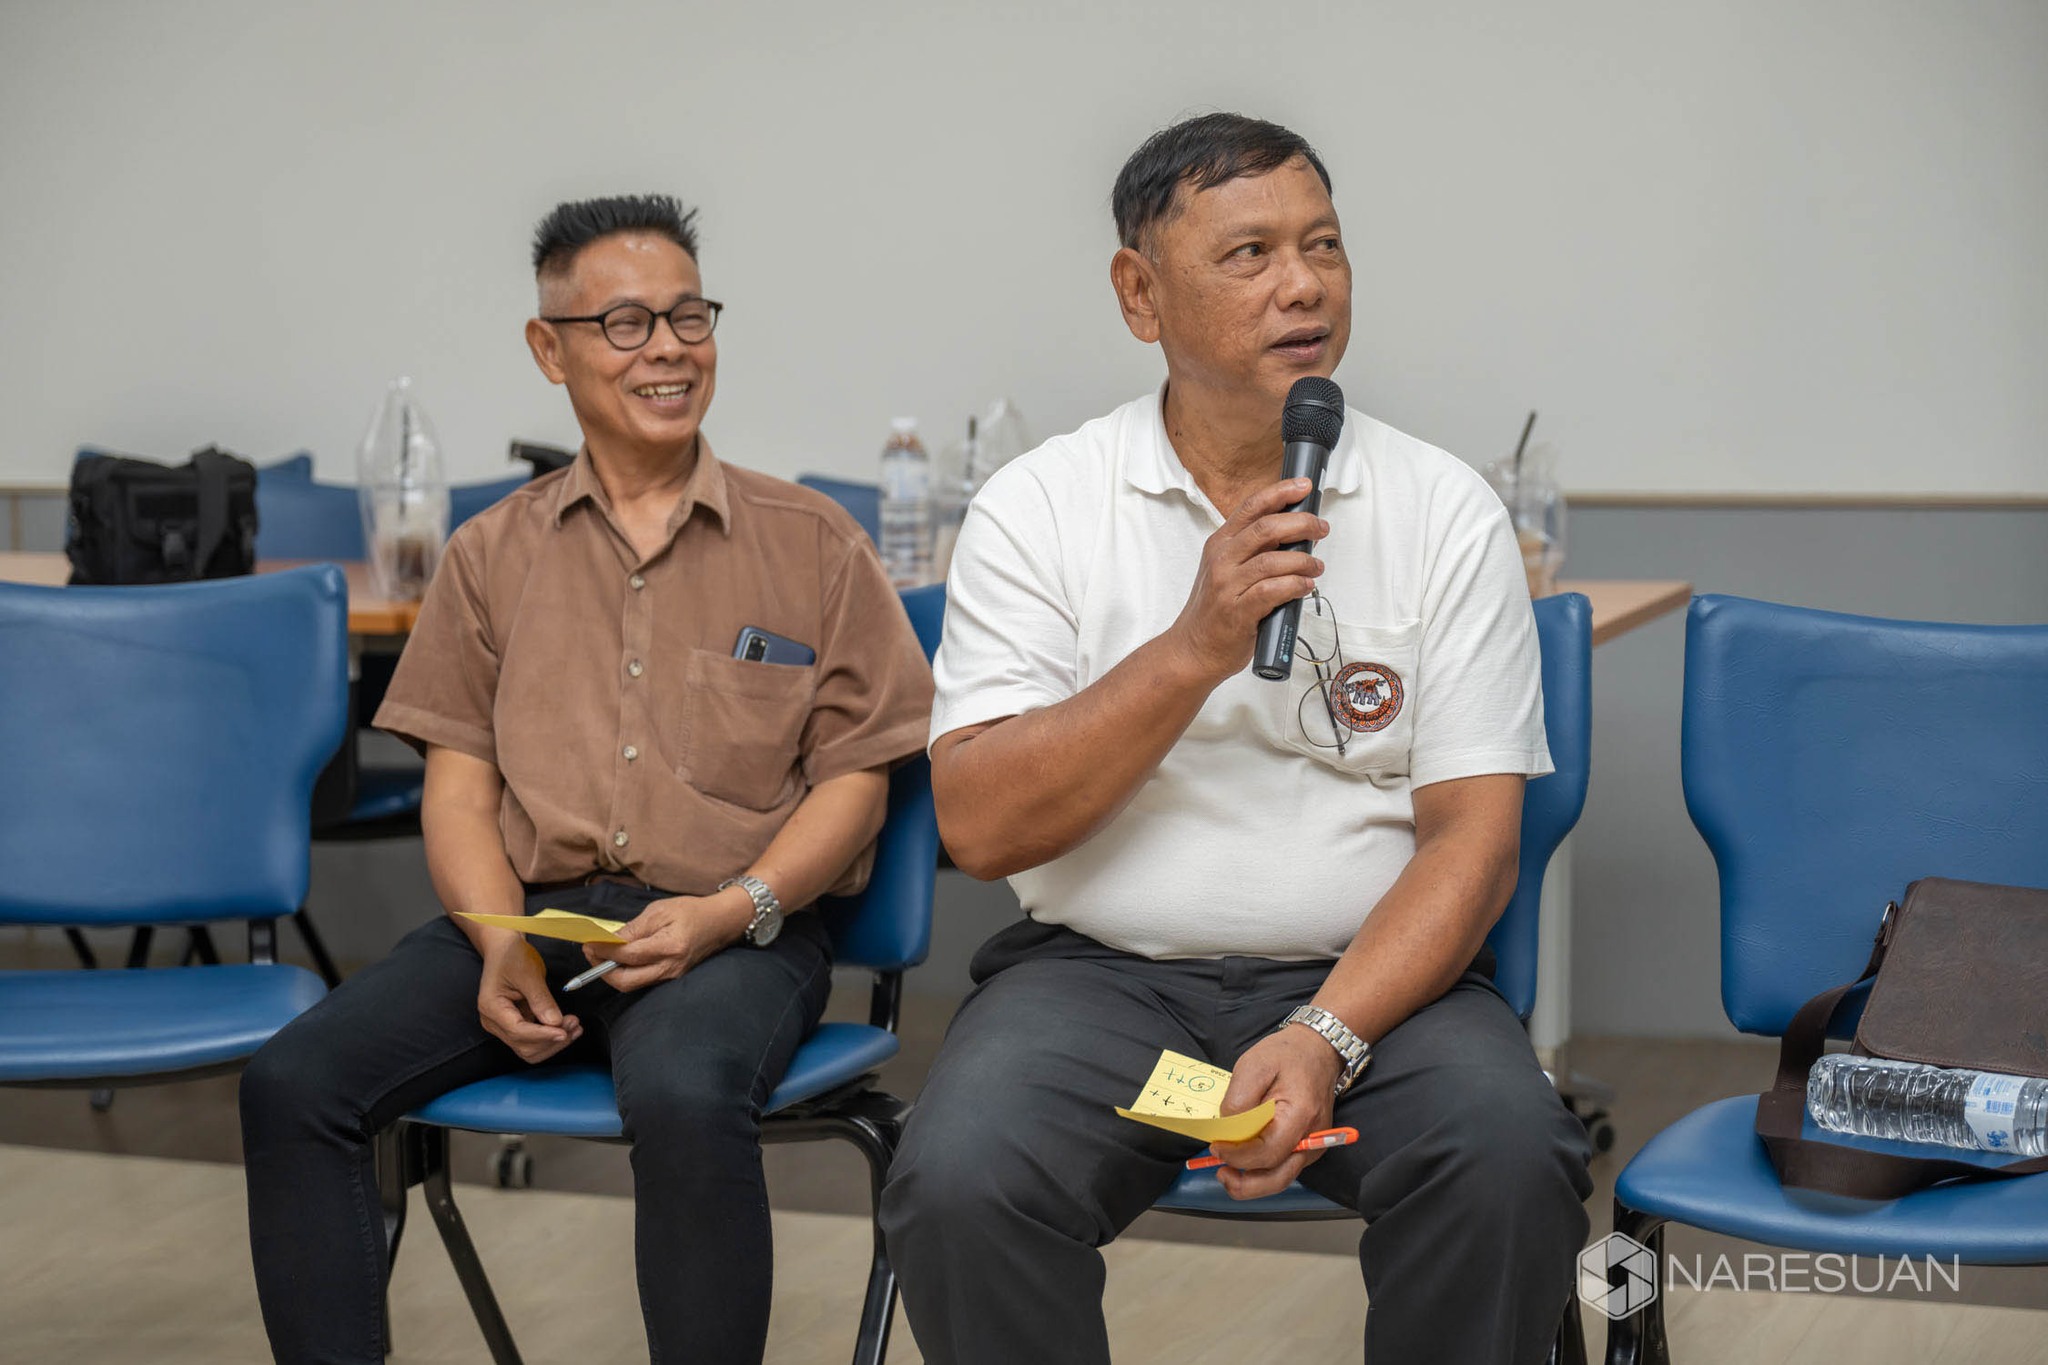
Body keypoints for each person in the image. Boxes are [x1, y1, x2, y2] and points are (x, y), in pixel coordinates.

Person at [878, 114, 1592, 1364]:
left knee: (1508, 1158)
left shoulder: (1442, 510)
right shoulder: (1038, 507)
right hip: (1096, 980)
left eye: (1323, 245)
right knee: (956, 1181)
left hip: (1376, 985)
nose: (1302, 285)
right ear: (1138, 294)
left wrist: (1323, 1034)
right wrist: (1190, 649)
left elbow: (1472, 846)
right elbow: (980, 827)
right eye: (1249, 254)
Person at [240, 194, 933, 1363]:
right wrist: (495, 942)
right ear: (547, 349)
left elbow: (856, 784)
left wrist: (731, 910)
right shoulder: (488, 554)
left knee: (682, 1092)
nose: (667, 348)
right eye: (623, 323)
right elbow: (459, 791)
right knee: (293, 1081)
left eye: (687, 316)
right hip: (531, 918)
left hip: (736, 931)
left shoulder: (814, 543)